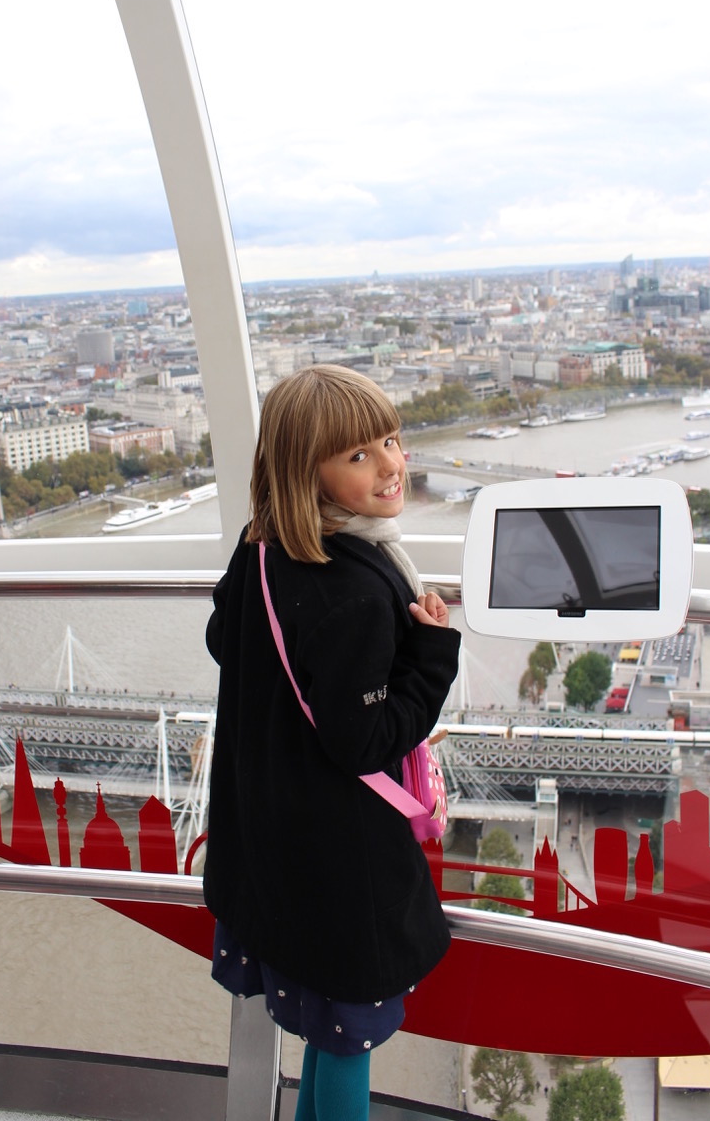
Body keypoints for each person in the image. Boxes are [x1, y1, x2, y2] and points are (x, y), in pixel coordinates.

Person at [203, 364, 461, 1121]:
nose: (390, 464)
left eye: (390, 439)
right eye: (357, 455)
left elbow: (227, 640)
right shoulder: (352, 590)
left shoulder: (261, 548)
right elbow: (365, 740)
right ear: (303, 471)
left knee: (328, 1030)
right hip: (338, 869)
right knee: (347, 1042)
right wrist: (430, 655)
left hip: (269, 846)